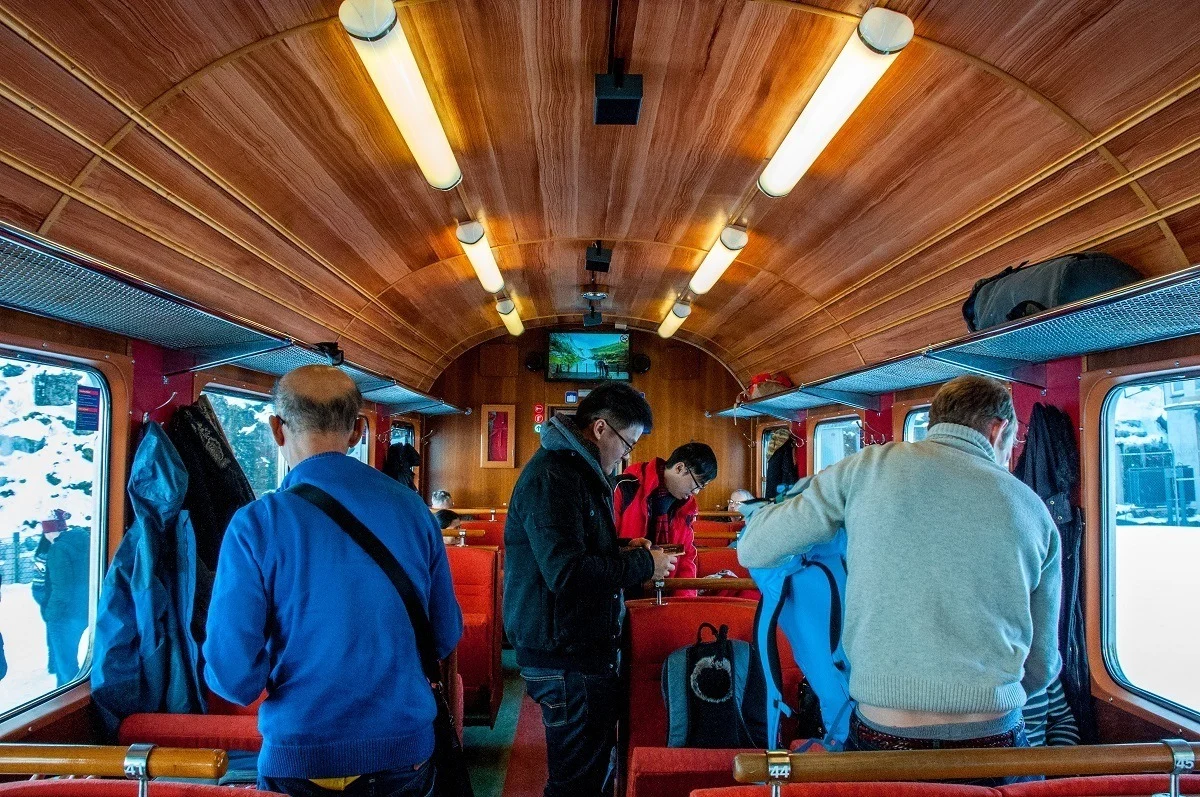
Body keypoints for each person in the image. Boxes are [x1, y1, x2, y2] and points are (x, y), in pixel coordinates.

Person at [739, 375, 1061, 782]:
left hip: (887, 735)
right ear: (998, 431)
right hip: (993, 739)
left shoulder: (868, 468)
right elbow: (1044, 664)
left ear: (935, 422)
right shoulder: (1033, 510)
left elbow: (755, 549)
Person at [204, 365, 462, 797]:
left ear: (276, 430)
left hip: (302, 758)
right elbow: (444, 634)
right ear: (360, 430)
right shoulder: (415, 511)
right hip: (405, 752)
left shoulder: (256, 525)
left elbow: (233, 677)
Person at [505, 382, 677, 797]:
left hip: (575, 649)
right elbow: (565, 573)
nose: (628, 454)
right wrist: (642, 564)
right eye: (627, 443)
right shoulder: (555, 476)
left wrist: (619, 548)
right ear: (600, 429)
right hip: (565, 656)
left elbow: (571, 547)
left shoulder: (577, 471)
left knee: (591, 770)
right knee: (577, 783)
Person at [613, 442, 718, 587]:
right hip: (624, 589)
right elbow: (607, 547)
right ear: (679, 468)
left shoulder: (686, 507)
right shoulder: (625, 488)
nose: (696, 492)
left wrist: (682, 604)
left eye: (701, 488)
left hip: (665, 590)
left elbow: (686, 558)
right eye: (697, 484)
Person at [41, 510, 90, 687]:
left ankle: (66, 702)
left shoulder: (58, 549)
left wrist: (51, 614)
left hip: (65, 616)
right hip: (84, 610)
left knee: (65, 666)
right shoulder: (85, 541)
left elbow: (62, 588)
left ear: (50, 530)